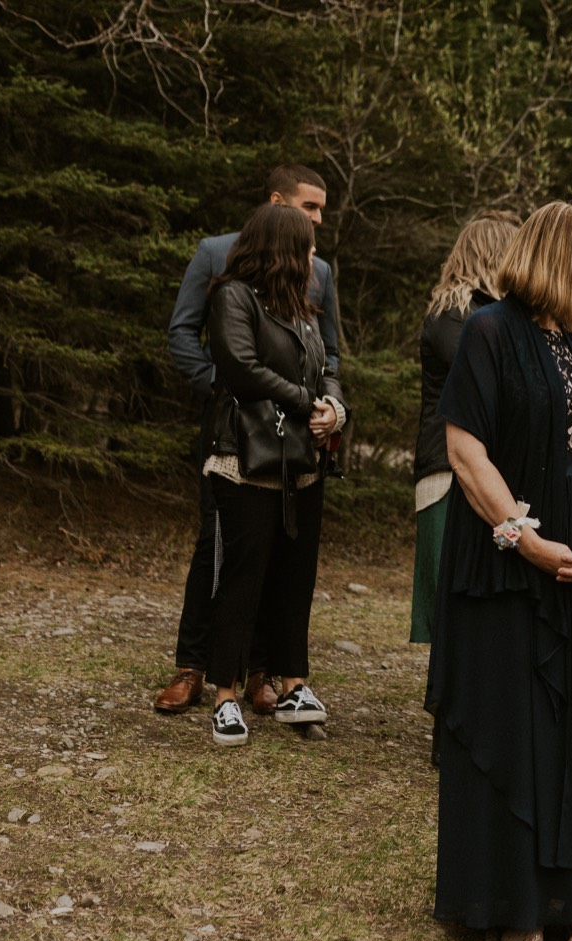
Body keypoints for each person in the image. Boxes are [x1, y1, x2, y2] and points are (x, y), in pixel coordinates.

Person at [426, 201, 572, 941]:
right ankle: (515, 904)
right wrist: (531, 543)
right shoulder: (487, 331)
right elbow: (465, 450)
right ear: (561, 260)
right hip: (506, 574)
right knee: (516, 733)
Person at [155, 164, 341, 716]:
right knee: (219, 548)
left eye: (321, 213)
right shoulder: (216, 256)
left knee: (278, 552)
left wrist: (330, 406)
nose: (316, 222)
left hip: (293, 441)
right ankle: (197, 666)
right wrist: (222, 386)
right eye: (308, 209)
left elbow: (327, 352)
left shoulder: (318, 272)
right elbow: (184, 332)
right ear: (277, 202)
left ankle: (261, 672)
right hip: (234, 431)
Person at [200, 203, 347, 746]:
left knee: (295, 579)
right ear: (283, 249)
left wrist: (334, 407)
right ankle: (224, 696)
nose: (315, 258)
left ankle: (294, 686)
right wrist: (309, 402)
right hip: (245, 462)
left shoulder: (302, 309)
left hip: (301, 467)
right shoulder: (232, 296)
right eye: (307, 248)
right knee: (242, 579)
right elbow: (240, 366)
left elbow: (328, 365)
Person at [411, 210, 521, 767]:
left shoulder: (488, 312)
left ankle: (472, 725)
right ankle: (448, 737)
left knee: (477, 601)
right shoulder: (455, 313)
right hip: (448, 472)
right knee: (453, 603)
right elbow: (486, 381)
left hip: (478, 472)